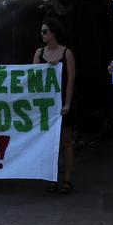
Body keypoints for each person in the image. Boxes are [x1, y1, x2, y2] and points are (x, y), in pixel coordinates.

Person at [34, 18, 76, 194]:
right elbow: (32, 76)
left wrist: (67, 103)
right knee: (50, 142)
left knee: (66, 141)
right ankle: (52, 177)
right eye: (41, 31)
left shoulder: (67, 53)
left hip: (61, 104)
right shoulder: (39, 52)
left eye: (45, 31)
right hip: (46, 105)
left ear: (54, 33)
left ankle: (66, 179)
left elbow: (70, 80)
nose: (42, 34)